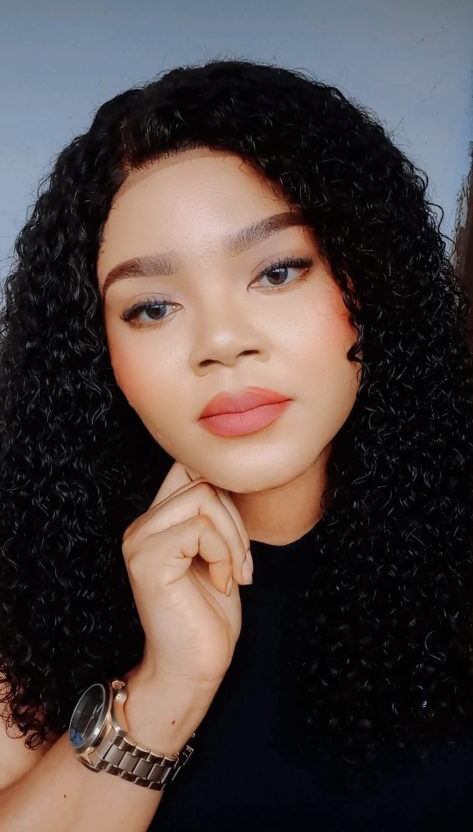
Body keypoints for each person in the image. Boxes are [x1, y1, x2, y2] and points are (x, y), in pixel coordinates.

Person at [0, 57, 472, 831]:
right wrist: (168, 686)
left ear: (367, 275)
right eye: (152, 308)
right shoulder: (29, 579)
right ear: (96, 354)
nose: (221, 342)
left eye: (276, 271)